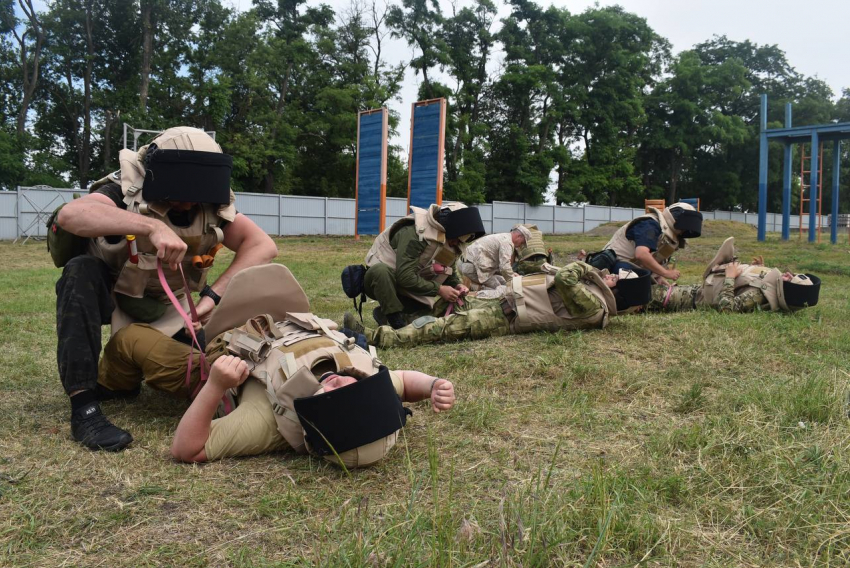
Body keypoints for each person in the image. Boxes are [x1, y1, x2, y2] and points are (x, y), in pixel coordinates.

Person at [97, 263, 456, 467]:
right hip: (283, 318)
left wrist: (216, 385)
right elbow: (404, 382)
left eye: (332, 396)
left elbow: (187, 449)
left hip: (222, 348)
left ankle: (115, 384)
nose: (339, 384)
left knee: (129, 340)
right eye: (354, 387)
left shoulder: (268, 423)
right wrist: (433, 385)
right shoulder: (367, 394)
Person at [54, 126, 278, 452]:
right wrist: (151, 226)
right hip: (113, 295)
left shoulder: (210, 203)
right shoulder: (125, 189)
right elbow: (71, 214)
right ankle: (84, 407)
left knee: (197, 362)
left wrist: (212, 297)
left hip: (175, 308)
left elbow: (263, 245)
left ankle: (127, 379)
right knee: (80, 272)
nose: (189, 201)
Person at [343, 262, 651, 349]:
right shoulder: (595, 297)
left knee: (437, 328)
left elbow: (568, 280)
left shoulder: (595, 308)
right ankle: (395, 318)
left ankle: (370, 340)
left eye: (618, 276)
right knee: (442, 308)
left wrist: (585, 266)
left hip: (504, 318)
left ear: (622, 292)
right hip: (503, 303)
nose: (610, 274)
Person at [362, 202, 485, 329]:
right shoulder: (415, 234)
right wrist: (439, 289)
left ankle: (386, 314)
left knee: (424, 318)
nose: (455, 243)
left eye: (459, 241)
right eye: (456, 239)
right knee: (381, 271)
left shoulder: (448, 240)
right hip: (382, 282)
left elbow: (447, 270)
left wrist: (457, 285)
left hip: (409, 288)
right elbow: (405, 276)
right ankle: (394, 318)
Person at [646, 237, 821, 313]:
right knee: (651, 285)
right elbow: (747, 284)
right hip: (696, 290)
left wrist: (730, 276)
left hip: (693, 300)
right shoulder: (768, 286)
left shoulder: (758, 295)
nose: (788, 274)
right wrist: (754, 271)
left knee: (645, 295)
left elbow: (727, 308)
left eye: (790, 279)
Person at [597, 202, 703, 284]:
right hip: (613, 267)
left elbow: (654, 258)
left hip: (632, 267)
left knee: (644, 278)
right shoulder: (650, 225)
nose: (683, 232)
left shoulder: (667, 234)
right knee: (638, 279)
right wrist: (665, 273)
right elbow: (641, 254)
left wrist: (658, 277)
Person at [459, 224, 529, 290]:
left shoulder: (503, 237)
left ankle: (476, 287)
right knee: (500, 289)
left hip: (470, 264)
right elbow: (504, 267)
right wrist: (514, 280)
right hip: (471, 267)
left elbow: (500, 267)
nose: (521, 245)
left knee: (502, 281)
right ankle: (477, 289)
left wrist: (512, 274)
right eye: (522, 242)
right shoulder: (507, 243)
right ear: (519, 236)